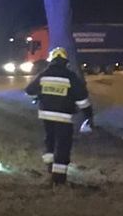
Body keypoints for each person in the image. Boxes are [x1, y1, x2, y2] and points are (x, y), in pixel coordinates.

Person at [25, 47, 94, 186]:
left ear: (51, 60)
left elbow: (29, 90)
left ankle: (50, 166)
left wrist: (41, 94)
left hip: (46, 115)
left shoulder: (44, 74)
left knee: (49, 140)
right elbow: (82, 99)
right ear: (65, 61)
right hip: (63, 117)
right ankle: (59, 178)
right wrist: (89, 115)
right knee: (63, 145)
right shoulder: (70, 76)